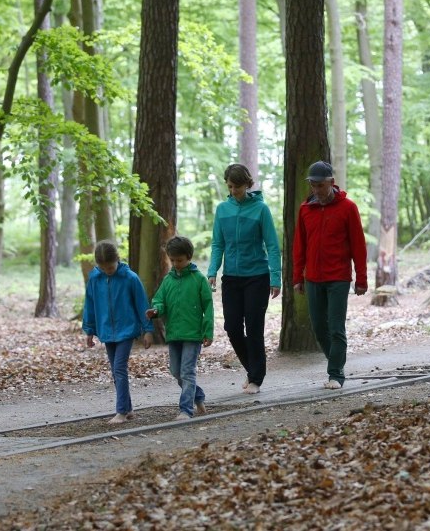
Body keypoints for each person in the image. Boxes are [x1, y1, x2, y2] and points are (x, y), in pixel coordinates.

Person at [292, 160, 368, 389]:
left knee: (336, 327)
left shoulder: (348, 208)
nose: (316, 190)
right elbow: (299, 246)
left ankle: (335, 374)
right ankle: (336, 362)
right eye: (313, 185)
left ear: (331, 183)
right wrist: (297, 277)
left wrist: (361, 279)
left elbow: (358, 246)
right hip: (313, 278)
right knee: (319, 328)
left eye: (320, 185)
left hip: (339, 278)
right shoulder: (305, 209)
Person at [208, 163, 281, 395]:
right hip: (231, 278)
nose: (233, 191)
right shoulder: (222, 210)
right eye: (230, 187)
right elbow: (218, 243)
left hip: (257, 277)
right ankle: (253, 369)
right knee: (231, 326)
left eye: (237, 187)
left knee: (254, 327)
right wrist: (212, 270)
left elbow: (272, 245)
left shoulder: (261, 209)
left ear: (247, 185)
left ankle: (256, 379)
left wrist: (275, 277)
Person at [82, 240, 154, 424]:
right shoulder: (95, 280)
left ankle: (121, 411)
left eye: (111, 267)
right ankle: (128, 409)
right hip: (106, 330)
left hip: (127, 329)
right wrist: (89, 330)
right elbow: (89, 306)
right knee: (116, 371)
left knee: (119, 368)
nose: (108, 271)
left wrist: (147, 330)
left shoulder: (130, 278)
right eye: (104, 268)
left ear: (118, 260)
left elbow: (142, 305)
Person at [146, 236, 214, 420]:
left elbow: (208, 306)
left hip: (193, 334)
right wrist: (156, 310)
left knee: (187, 371)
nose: (176, 264)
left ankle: (185, 410)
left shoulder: (199, 279)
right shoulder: (168, 280)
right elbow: (159, 300)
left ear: (189, 257)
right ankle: (198, 396)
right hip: (174, 333)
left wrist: (208, 331)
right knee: (176, 372)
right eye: (173, 260)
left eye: (180, 260)